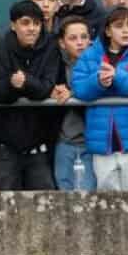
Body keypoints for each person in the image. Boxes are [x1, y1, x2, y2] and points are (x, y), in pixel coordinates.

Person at [71, 6, 128, 190]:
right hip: (102, 142)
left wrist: (117, 76)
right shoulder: (90, 53)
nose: (126, 30)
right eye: (119, 26)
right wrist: (99, 82)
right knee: (106, 202)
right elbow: (78, 89)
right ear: (108, 30)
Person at [0, 1, 61, 190]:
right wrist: (12, 84)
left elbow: (47, 87)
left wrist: (26, 82)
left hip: (40, 143)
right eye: (26, 23)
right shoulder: (0, 48)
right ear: (13, 25)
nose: (32, 29)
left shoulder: (50, 48)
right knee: (0, 204)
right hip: (5, 143)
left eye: (37, 24)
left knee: (45, 202)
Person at [52, 17, 95, 191]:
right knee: (64, 194)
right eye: (73, 38)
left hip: (92, 142)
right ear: (62, 43)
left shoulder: (100, 64)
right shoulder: (55, 67)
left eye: (84, 37)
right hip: (64, 141)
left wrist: (74, 93)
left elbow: (101, 87)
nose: (80, 43)